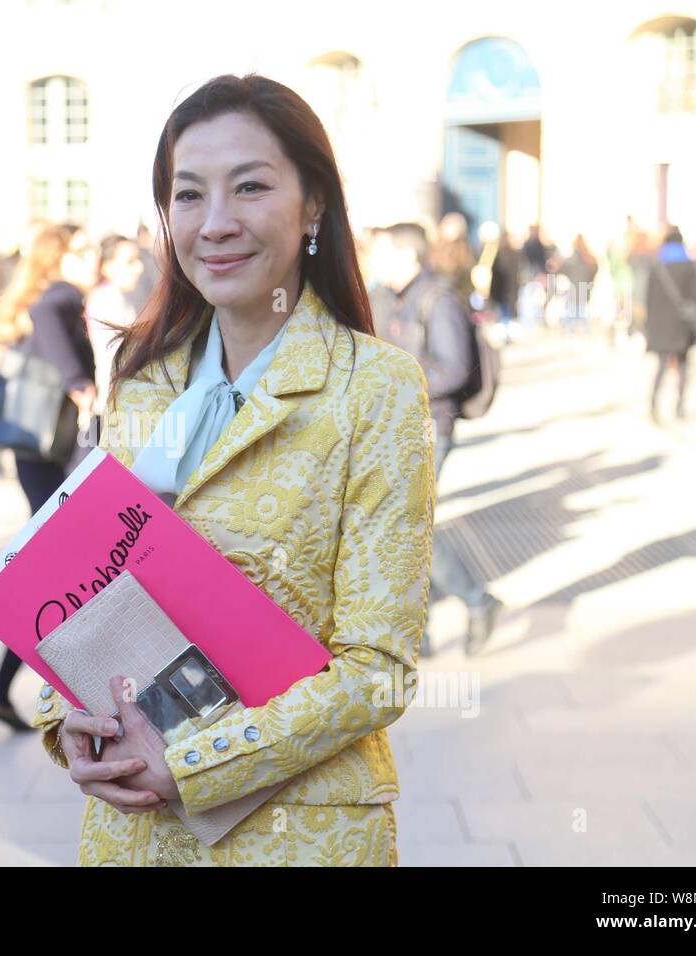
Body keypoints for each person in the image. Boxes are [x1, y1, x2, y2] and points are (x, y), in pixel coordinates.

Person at [28, 74, 435, 867]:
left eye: (249, 187)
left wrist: (195, 766)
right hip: (134, 835)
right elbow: (83, 601)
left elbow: (379, 669)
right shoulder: (145, 382)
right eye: (188, 196)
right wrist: (67, 723)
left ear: (313, 203)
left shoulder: (375, 387)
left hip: (301, 837)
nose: (215, 224)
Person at [0, 223, 99, 731]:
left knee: (56, 569)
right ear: (61, 258)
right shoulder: (60, 295)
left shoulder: (46, 293)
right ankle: (14, 688)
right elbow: (46, 316)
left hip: (36, 449)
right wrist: (80, 383)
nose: (92, 257)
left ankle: (1, 691)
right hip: (55, 448)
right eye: (83, 250)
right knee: (59, 571)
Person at [370, 222, 503, 658]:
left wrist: (396, 376)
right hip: (397, 426)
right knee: (397, 526)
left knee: (411, 525)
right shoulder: (391, 297)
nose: (376, 261)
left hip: (429, 426)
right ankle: (417, 633)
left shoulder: (439, 300)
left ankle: (477, 601)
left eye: (385, 253)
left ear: (409, 257)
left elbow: (455, 369)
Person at [645, 226, 696, 424]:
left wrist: (648, 326)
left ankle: (653, 405)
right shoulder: (690, 266)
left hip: (659, 324)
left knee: (661, 366)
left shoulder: (656, 266)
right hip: (681, 323)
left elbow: (648, 299)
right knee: (683, 366)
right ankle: (679, 406)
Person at [86, 233, 145, 420]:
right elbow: (118, 355)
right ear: (107, 267)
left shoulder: (116, 296)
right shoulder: (108, 299)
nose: (139, 268)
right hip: (116, 401)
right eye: (130, 262)